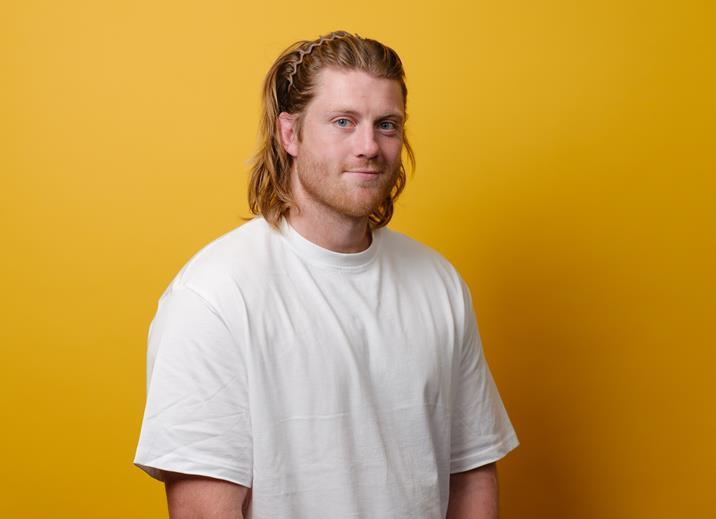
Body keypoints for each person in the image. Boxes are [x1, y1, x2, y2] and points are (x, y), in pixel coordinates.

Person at [134, 30, 519, 519]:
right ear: (289, 134)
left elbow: (470, 473)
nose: (369, 146)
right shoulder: (214, 295)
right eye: (343, 122)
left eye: (387, 125)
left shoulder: (439, 284)